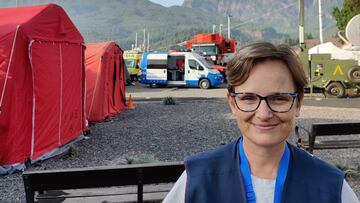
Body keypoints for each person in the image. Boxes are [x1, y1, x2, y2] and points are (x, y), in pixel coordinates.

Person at [163, 42, 359, 203]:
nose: (264, 114)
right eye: (248, 98)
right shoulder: (196, 180)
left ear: (298, 103)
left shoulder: (332, 188)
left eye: (279, 98)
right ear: (232, 103)